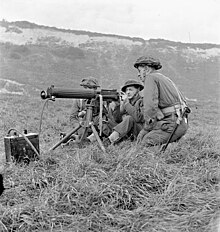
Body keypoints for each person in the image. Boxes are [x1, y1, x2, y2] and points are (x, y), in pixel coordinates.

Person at [133, 56, 190, 147]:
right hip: (180, 122)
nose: (138, 75)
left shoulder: (150, 78)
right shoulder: (164, 79)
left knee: (145, 141)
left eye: (139, 71)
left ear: (146, 69)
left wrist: (147, 128)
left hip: (171, 124)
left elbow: (150, 106)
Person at [103, 79, 145, 145]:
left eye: (130, 90)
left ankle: (110, 140)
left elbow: (138, 118)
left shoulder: (142, 101)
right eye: (127, 90)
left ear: (138, 89)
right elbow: (117, 119)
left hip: (139, 131)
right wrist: (118, 105)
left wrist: (126, 104)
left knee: (129, 118)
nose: (128, 92)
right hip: (128, 131)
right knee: (107, 121)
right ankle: (91, 139)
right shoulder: (126, 102)